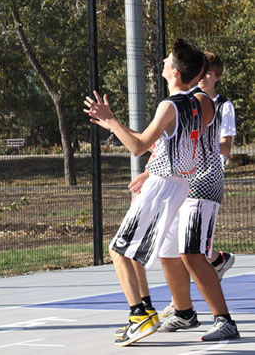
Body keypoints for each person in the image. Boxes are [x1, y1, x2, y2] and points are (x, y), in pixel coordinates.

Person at [84, 38, 232, 346]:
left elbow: (139, 146)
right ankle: (158, 310)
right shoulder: (201, 103)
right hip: (180, 185)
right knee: (149, 251)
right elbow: (165, 143)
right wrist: (116, 127)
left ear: (176, 73)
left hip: (165, 185)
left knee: (118, 250)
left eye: (167, 60)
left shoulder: (170, 105)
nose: (164, 62)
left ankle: (139, 314)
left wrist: (112, 122)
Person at [129, 51, 238, 339]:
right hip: (181, 183)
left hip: (201, 183)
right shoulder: (185, 101)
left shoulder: (202, 102)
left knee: (191, 253)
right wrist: (152, 172)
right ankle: (184, 312)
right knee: (168, 252)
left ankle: (223, 319)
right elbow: (172, 147)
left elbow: (183, 146)